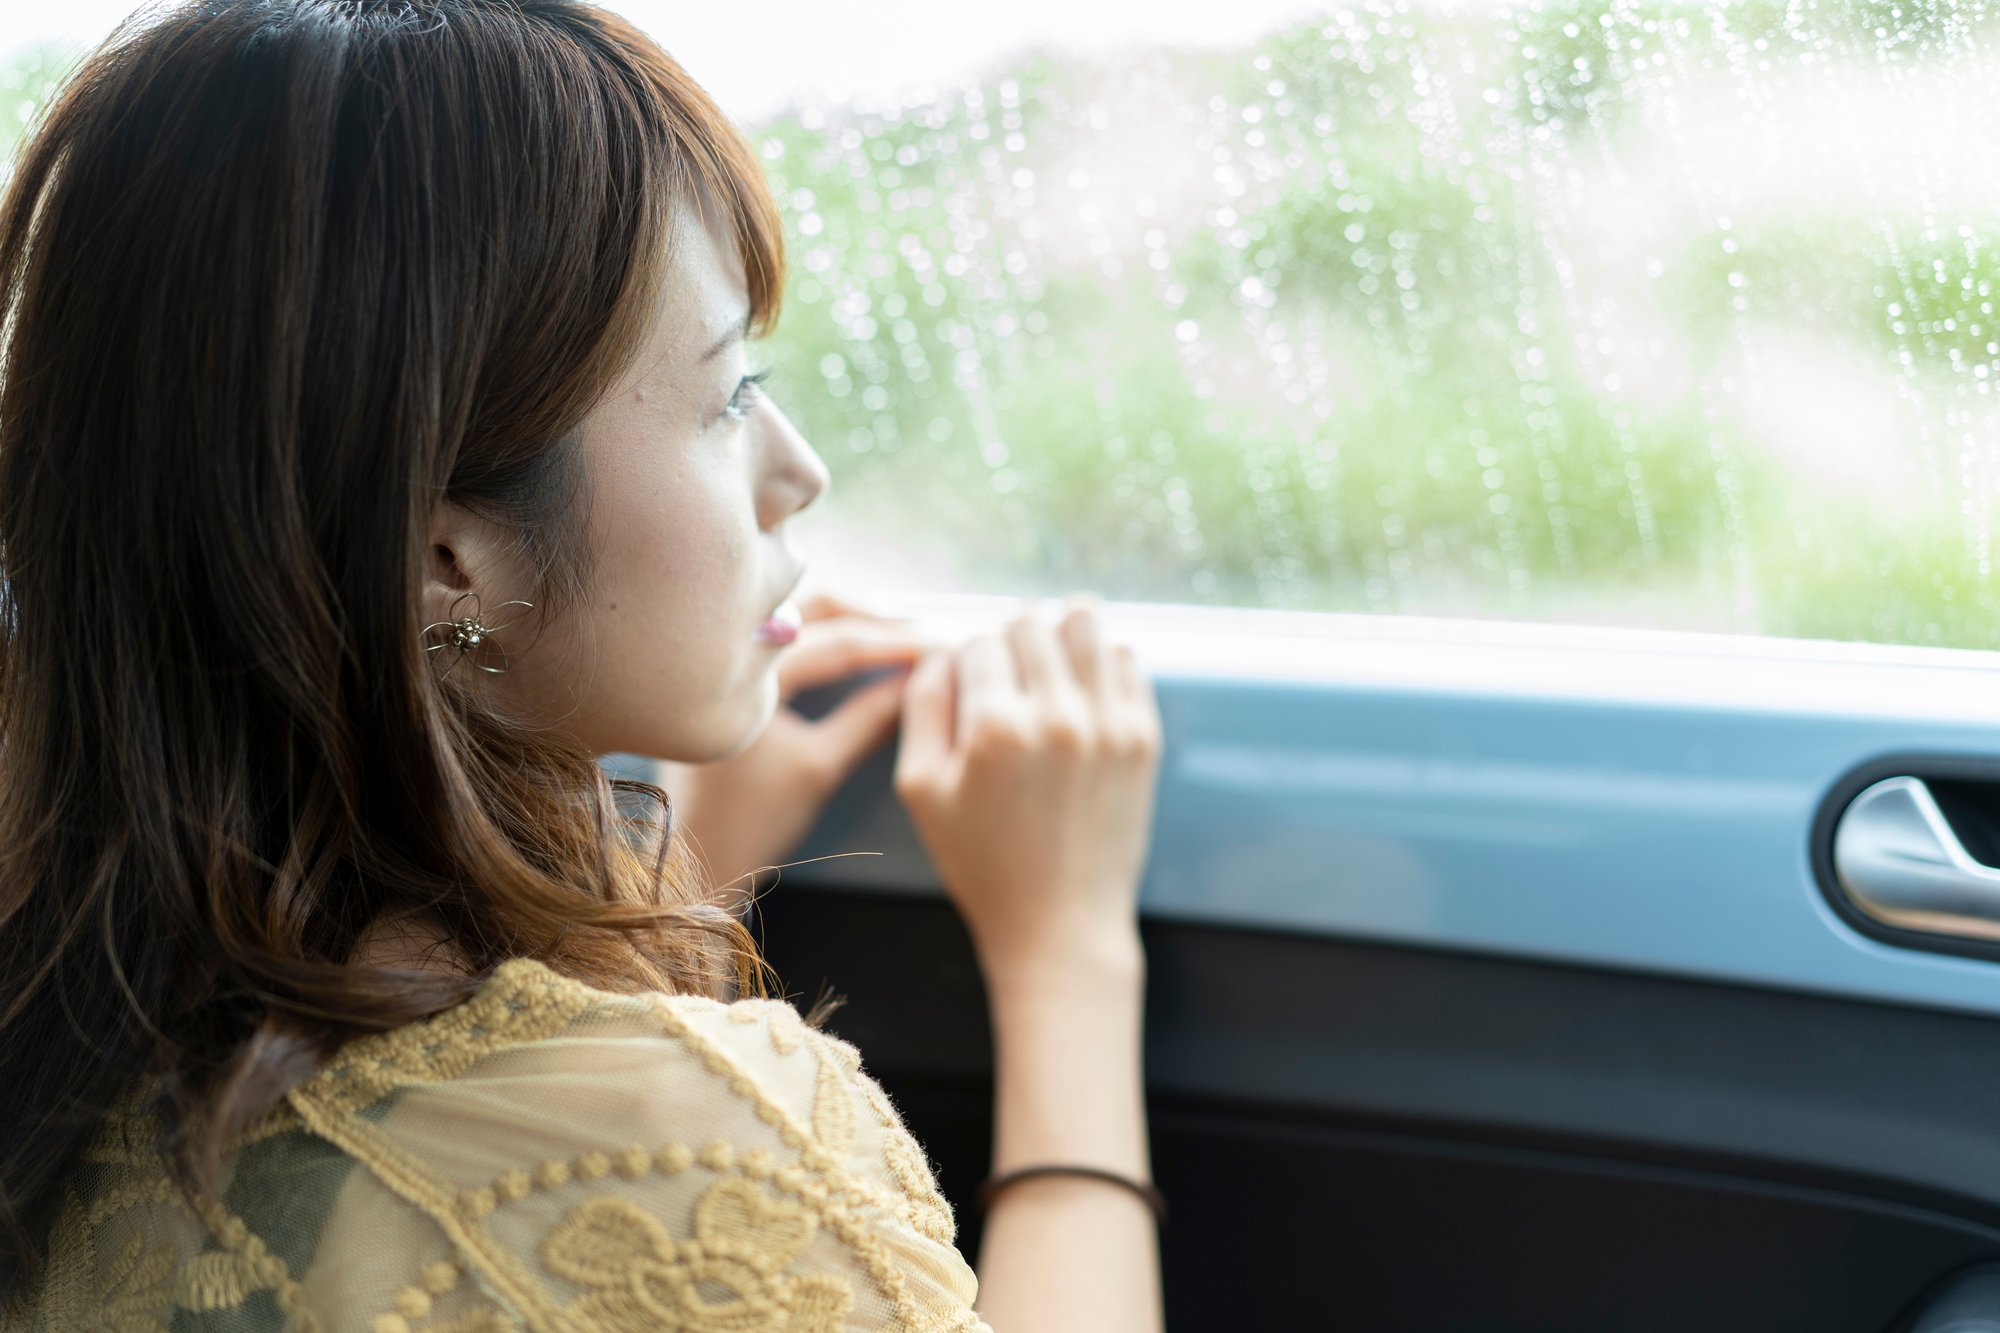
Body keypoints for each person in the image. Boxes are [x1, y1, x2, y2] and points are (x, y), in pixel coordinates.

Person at [0, 1, 1165, 1329]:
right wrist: (1068, 957)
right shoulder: (699, 1159)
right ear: (448, 563)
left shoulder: (81, 1034)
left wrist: (674, 885)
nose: (799, 470)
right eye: (729, 395)